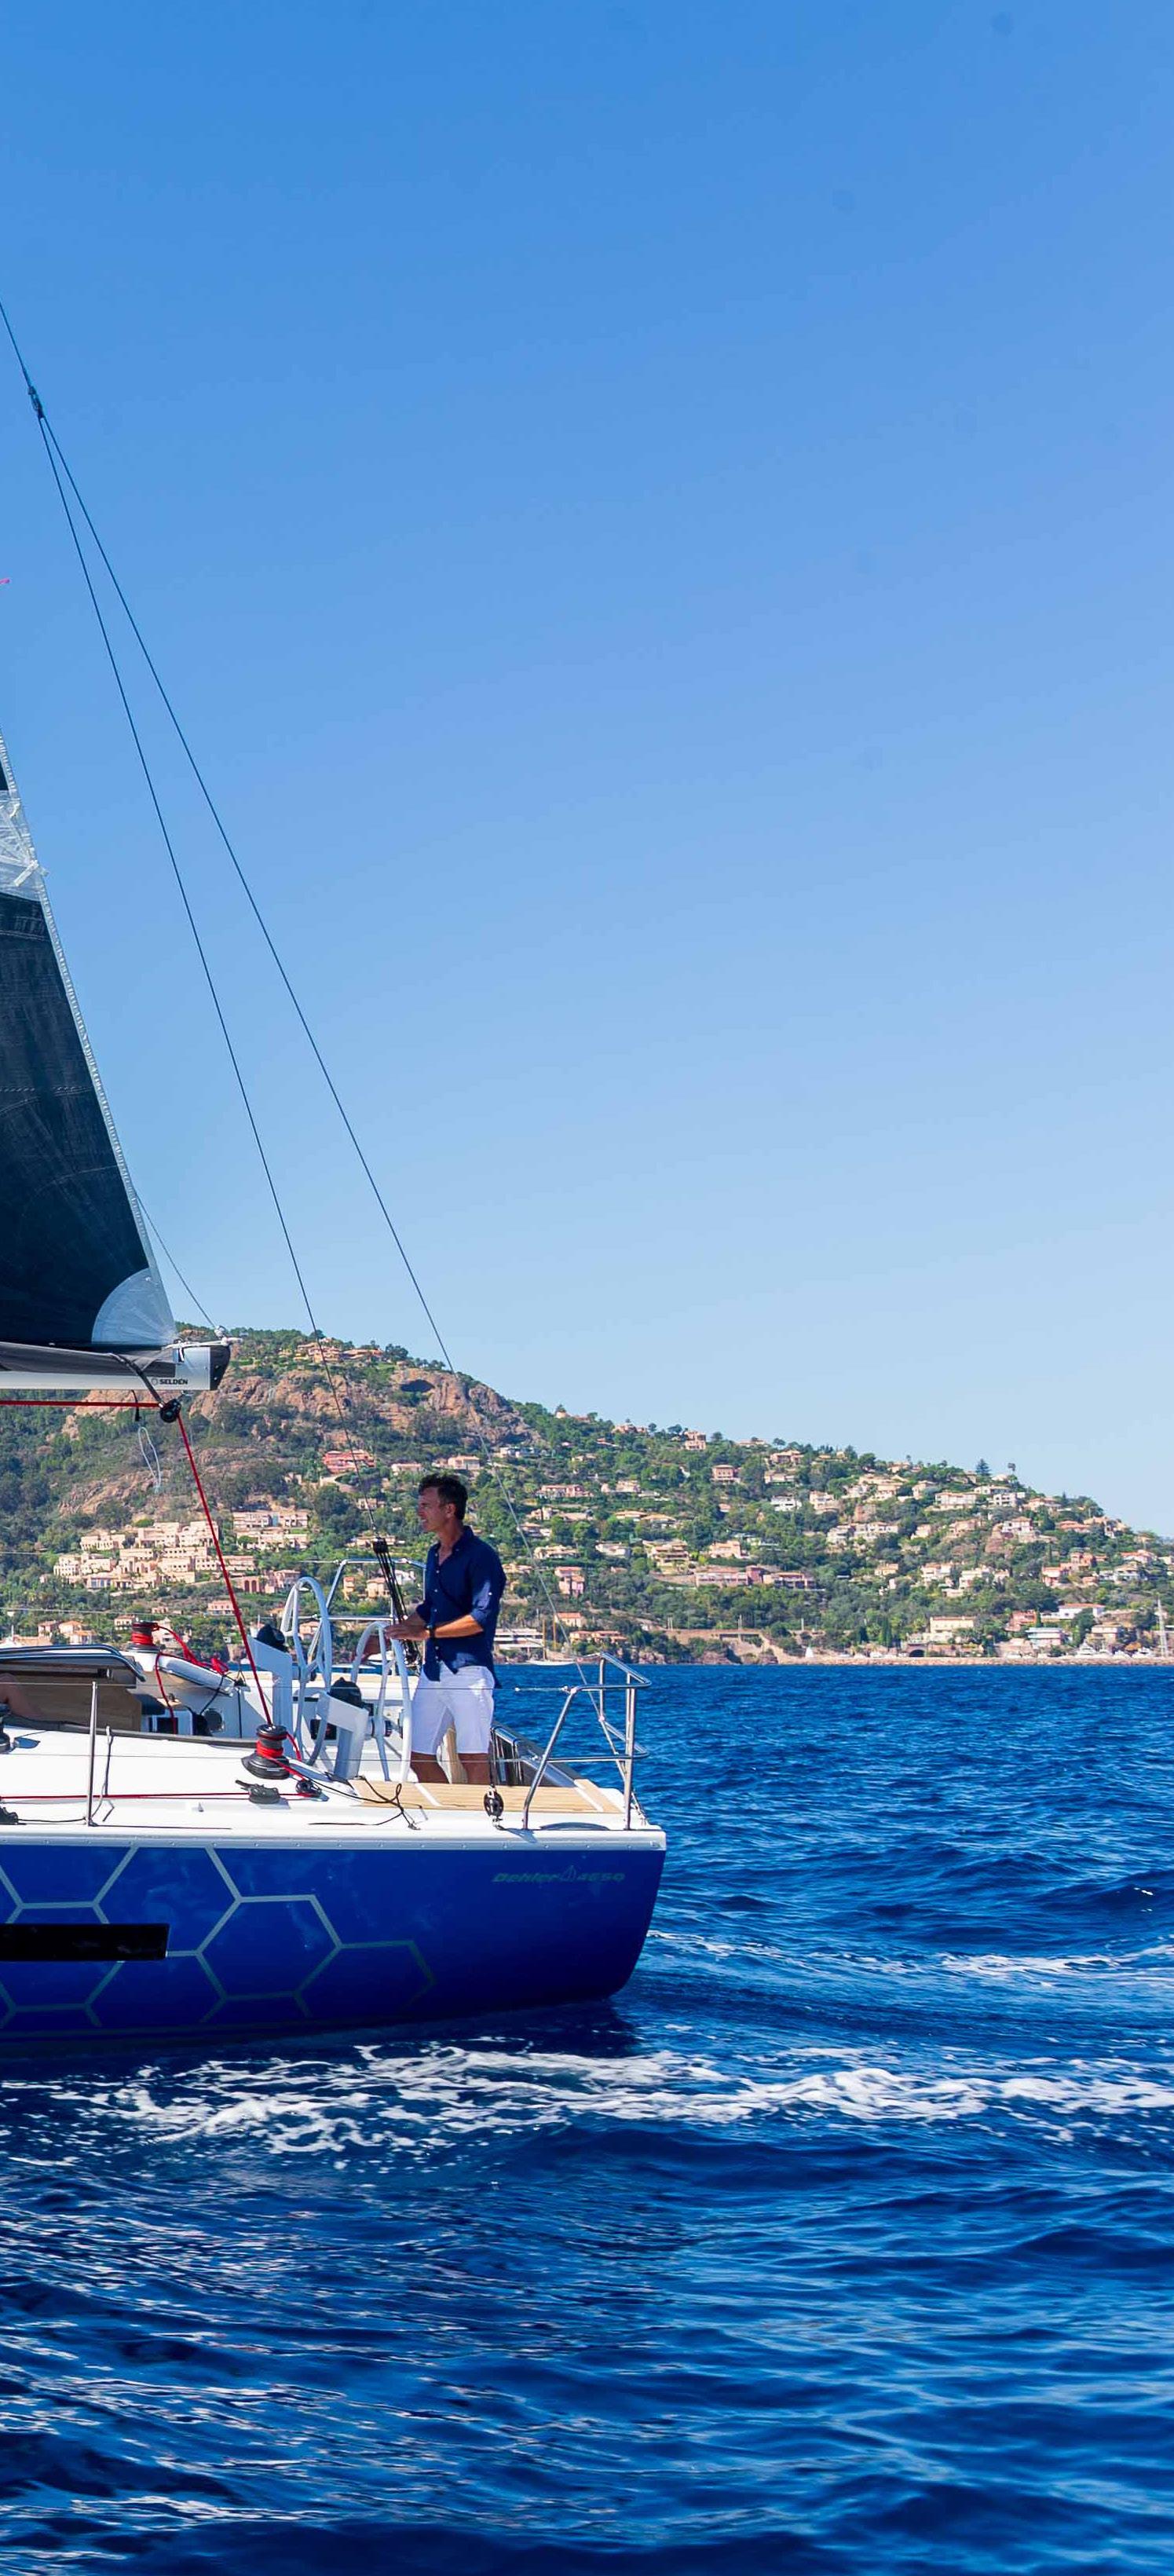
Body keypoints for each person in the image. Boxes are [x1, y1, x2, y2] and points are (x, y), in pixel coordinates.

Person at [389, 1473, 506, 1785]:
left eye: (426, 1506)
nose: (420, 1512)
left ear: (449, 1509)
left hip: (469, 1670)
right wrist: (397, 1632)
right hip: (433, 1670)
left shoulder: (482, 1557)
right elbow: (430, 1607)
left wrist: (427, 1634)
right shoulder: (433, 1555)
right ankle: (449, 1808)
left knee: (473, 1757)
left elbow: (480, 1618)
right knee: (418, 1756)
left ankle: (480, 1813)